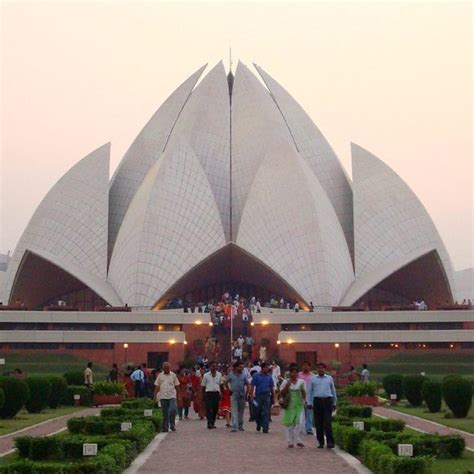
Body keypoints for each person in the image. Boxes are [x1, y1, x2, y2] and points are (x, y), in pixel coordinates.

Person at [306, 362, 337, 449]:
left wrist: (334, 402)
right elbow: (309, 392)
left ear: (325, 369)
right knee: (318, 423)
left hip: (327, 401)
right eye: (319, 368)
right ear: (317, 369)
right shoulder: (313, 379)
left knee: (327, 422)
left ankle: (330, 442)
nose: (320, 369)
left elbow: (333, 390)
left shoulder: (329, 378)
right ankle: (321, 442)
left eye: (322, 368)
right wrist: (309, 402)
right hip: (317, 401)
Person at [281, 364, 306, 448]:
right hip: (289, 405)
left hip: (299, 405)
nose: (294, 374)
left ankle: (299, 440)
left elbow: (304, 392)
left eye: (295, 373)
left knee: (300, 423)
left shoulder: (301, 382)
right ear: (290, 373)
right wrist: (287, 386)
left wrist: (306, 402)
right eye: (292, 372)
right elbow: (281, 393)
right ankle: (290, 441)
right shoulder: (285, 382)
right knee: (290, 424)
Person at [154, 362, 179, 432]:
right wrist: (154, 396)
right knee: (165, 413)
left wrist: (179, 396)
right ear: (163, 369)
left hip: (172, 396)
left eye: (168, 368)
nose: (167, 370)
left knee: (172, 410)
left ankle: (172, 425)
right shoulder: (160, 376)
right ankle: (165, 427)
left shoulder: (173, 375)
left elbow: (177, 386)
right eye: (165, 368)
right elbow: (157, 386)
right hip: (163, 396)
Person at [251, 362, 275, 433]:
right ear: (262, 368)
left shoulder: (269, 377)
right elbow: (252, 386)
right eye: (266, 368)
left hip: (267, 395)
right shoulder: (256, 376)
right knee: (257, 411)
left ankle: (265, 427)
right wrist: (251, 395)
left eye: (268, 368)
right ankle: (259, 423)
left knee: (266, 412)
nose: (267, 369)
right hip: (258, 395)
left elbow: (272, 387)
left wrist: (273, 397)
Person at [227, 361, 249, 432]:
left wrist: (247, 393)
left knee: (241, 411)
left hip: (242, 394)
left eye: (242, 367)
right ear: (235, 367)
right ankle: (234, 426)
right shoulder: (230, 375)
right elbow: (225, 383)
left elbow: (248, 384)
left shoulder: (244, 375)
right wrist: (228, 390)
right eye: (240, 367)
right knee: (234, 410)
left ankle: (240, 425)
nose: (241, 368)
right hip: (233, 394)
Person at [201, 361, 223, 429]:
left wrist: (222, 393)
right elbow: (203, 386)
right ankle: (209, 423)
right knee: (209, 408)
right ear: (210, 367)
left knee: (215, 409)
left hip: (216, 393)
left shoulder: (219, 375)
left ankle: (213, 422)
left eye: (215, 366)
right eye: (213, 366)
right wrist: (203, 395)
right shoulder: (206, 375)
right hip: (208, 393)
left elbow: (221, 384)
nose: (214, 367)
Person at [298, 361, 314, 435]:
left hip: (309, 396)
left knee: (309, 413)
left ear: (310, 367)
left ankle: (309, 429)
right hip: (299, 396)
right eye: (304, 365)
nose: (305, 367)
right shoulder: (298, 375)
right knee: (300, 413)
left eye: (307, 365)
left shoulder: (313, 376)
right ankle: (299, 428)